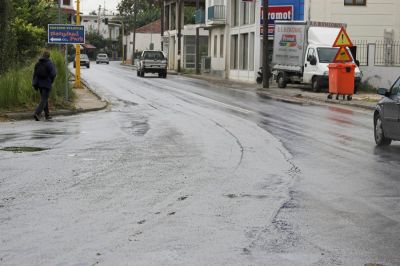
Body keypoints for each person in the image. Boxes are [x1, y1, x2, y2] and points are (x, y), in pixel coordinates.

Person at [32, 50, 57, 121]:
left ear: (42, 55)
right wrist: (51, 80)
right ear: (49, 56)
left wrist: (34, 83)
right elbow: (53, 74)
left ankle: (47, 115)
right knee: (44, 99)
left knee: (44, 99)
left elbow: (35, 74)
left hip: (39, 84)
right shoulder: (49, 63)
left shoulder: (38, 63)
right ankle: (37, 113)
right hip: (46, 84)